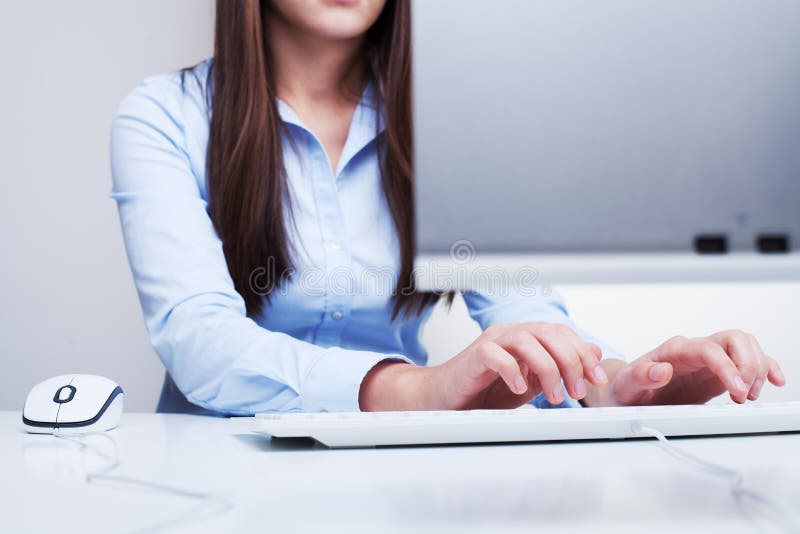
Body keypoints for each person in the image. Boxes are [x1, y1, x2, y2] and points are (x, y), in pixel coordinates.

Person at [110, 0, 785, 416]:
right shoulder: (164, 116)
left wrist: (621, 382)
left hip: (401, 471)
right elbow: (199, 339)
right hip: (215, 476)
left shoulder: (453, 122)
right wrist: (416, 392)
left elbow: (524, 308)